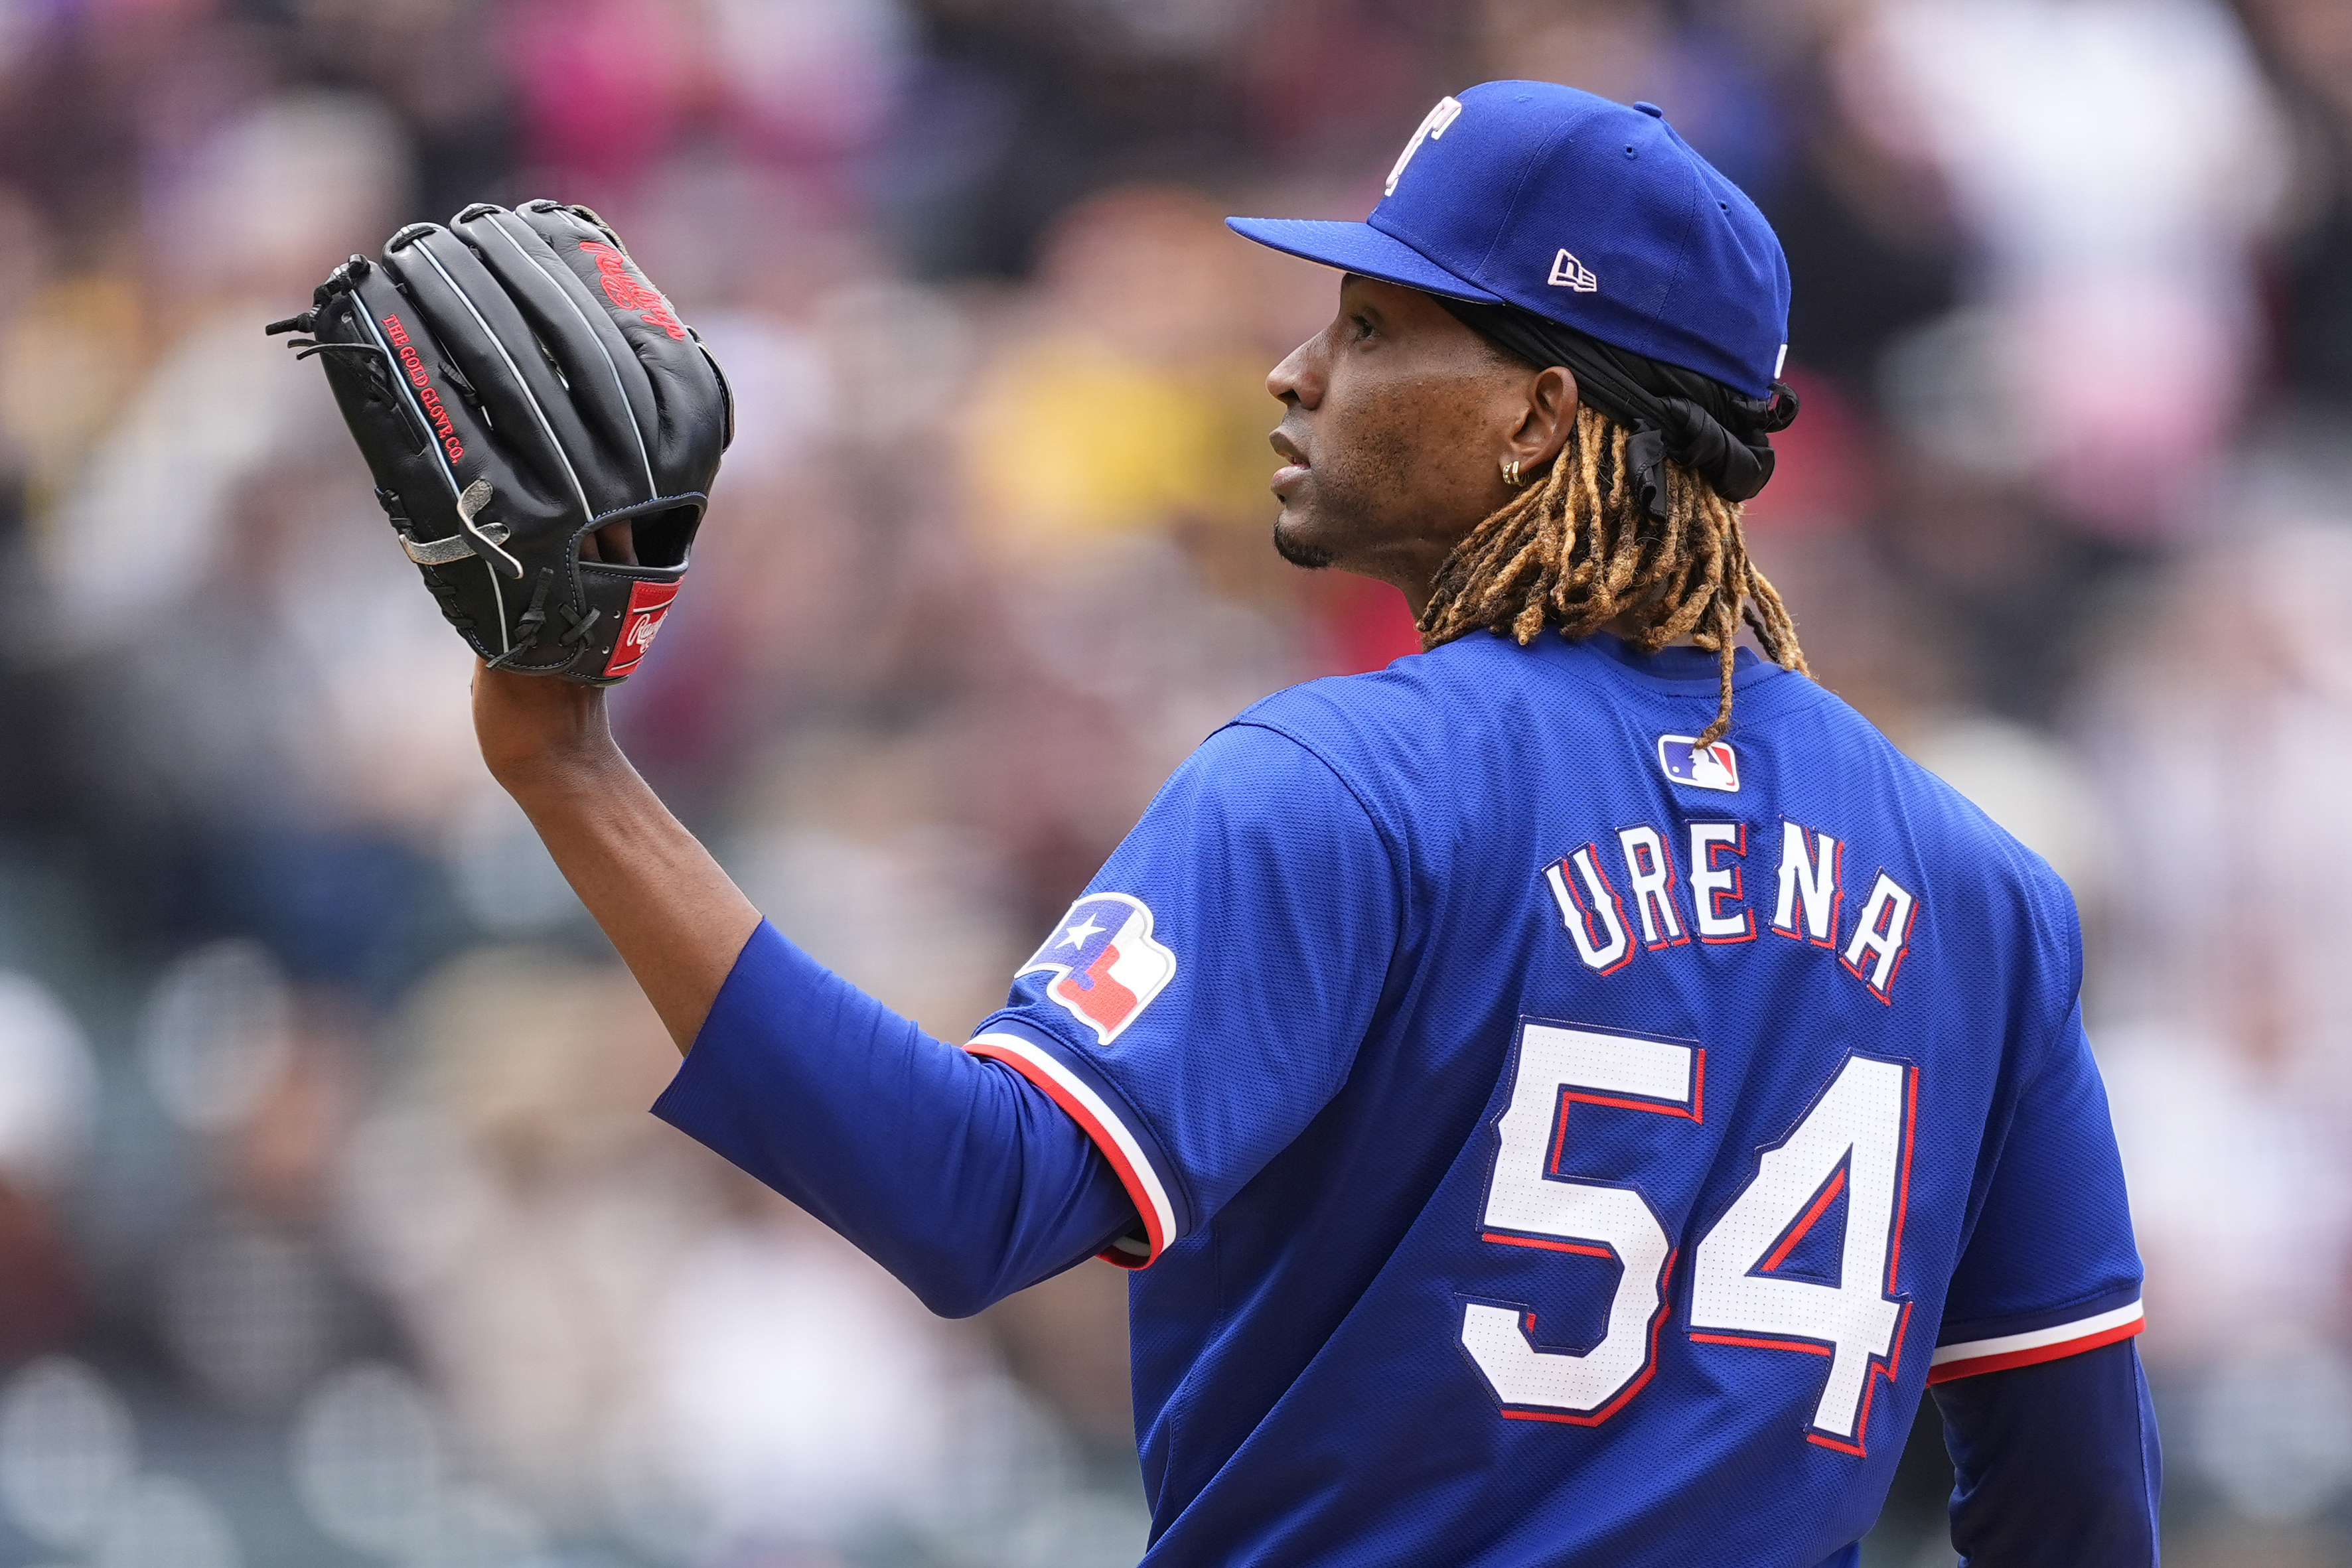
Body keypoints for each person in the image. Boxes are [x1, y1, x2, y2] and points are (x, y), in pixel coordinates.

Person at [474, 83, 2158, 1565]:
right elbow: (2070, 1496)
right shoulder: (1979, 891)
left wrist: (573, 774)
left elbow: (970, 1195)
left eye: (1370, 325)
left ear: (1536, 416)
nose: (1292, 370)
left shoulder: (1353, 782)